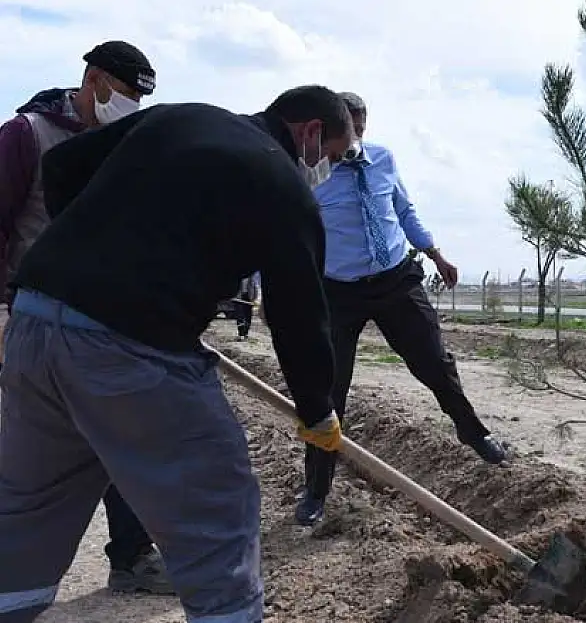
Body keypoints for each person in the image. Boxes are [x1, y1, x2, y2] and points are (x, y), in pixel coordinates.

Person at [0, 84, 353, 623]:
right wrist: (317, 409)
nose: (326, 169)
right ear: (309, 133)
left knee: (29, 507)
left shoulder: (177, 118)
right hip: (126, 350)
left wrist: (94, 253)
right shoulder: (283, 185)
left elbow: (65, 164)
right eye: (330, 156)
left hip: (34, 320)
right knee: (219, 503)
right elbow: (299, 314)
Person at [0, 40, 172, 595]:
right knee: (26, 448)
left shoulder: (123, 143)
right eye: (121, 93)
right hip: (29, 318)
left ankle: (131, 556)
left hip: (101, 319)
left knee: (122, 435)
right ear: (94, 79)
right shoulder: (26, 135)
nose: (128, 107)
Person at [293, 90, 508, 526]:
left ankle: (474, 432)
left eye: (360, 129)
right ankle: (316, 489)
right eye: (346, 130)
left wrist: (435, 254)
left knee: (434, 362)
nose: (352, 140)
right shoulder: (305, 173)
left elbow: (403, 209)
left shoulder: (383, 158)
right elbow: (290, 229)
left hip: (395, 279)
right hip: (338, 290)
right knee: (327, 392)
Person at [233, 272, 261, 339]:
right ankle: (240, 333)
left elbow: (255, 287)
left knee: (248, 316)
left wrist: (255, 299)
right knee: (240, 316)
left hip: (249, 298)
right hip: (239, 298)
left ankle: (246, 333)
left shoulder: (252, 278)